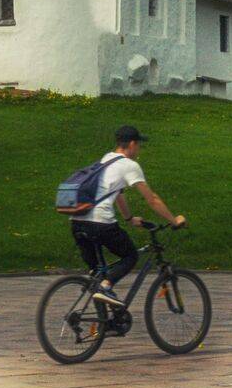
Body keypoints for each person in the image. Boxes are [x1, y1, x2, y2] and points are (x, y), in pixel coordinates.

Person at [71, 125, 185, 307]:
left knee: (97, 274)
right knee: (130, 256)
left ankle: (100, 323)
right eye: (139, 145)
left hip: (78, 221)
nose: (139, 149)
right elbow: (152, 199)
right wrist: (174, 220)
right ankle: (106, 286)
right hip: (100, 223)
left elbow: (118, 194)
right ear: (132, 144)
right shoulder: (129, 165)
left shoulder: (106, 159)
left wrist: (129, 218)